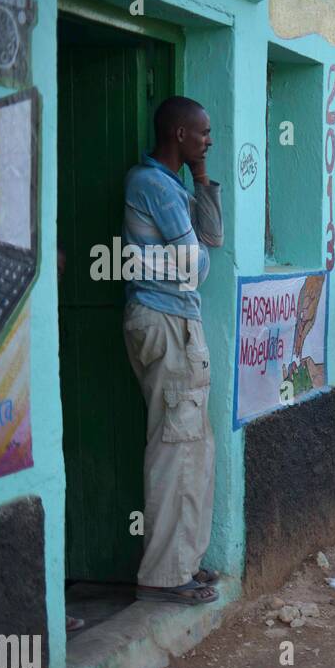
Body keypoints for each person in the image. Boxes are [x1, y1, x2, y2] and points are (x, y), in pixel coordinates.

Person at [121, 96, 223, 605]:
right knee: (174, 448)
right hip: (164, 319)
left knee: (194, 448)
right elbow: (196, 266)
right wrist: (194, 253)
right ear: (179, 134)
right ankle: (162, 576)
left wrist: (202, 178)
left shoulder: (177, 185)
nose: (209, 140)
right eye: (202, 133)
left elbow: (213, 238)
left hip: (178, 320)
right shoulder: (153, 184)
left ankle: (184, 563)